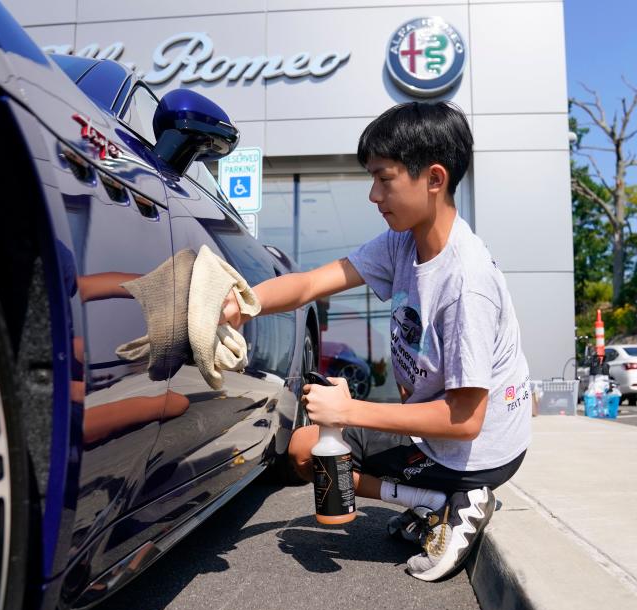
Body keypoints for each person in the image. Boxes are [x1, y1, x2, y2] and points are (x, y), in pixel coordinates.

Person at [221, 102, 531, 581]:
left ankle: (460, 499)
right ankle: (429, 502)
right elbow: (308, 284)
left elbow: (467, 420)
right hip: (432, 438)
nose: (372, 194)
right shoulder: (402, 243)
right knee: (306, 448)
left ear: (433, 179)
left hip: (479, 452)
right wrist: (244, 303)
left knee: (320, 444)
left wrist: (350, 412)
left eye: (384, 179)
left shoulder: (466, 284)